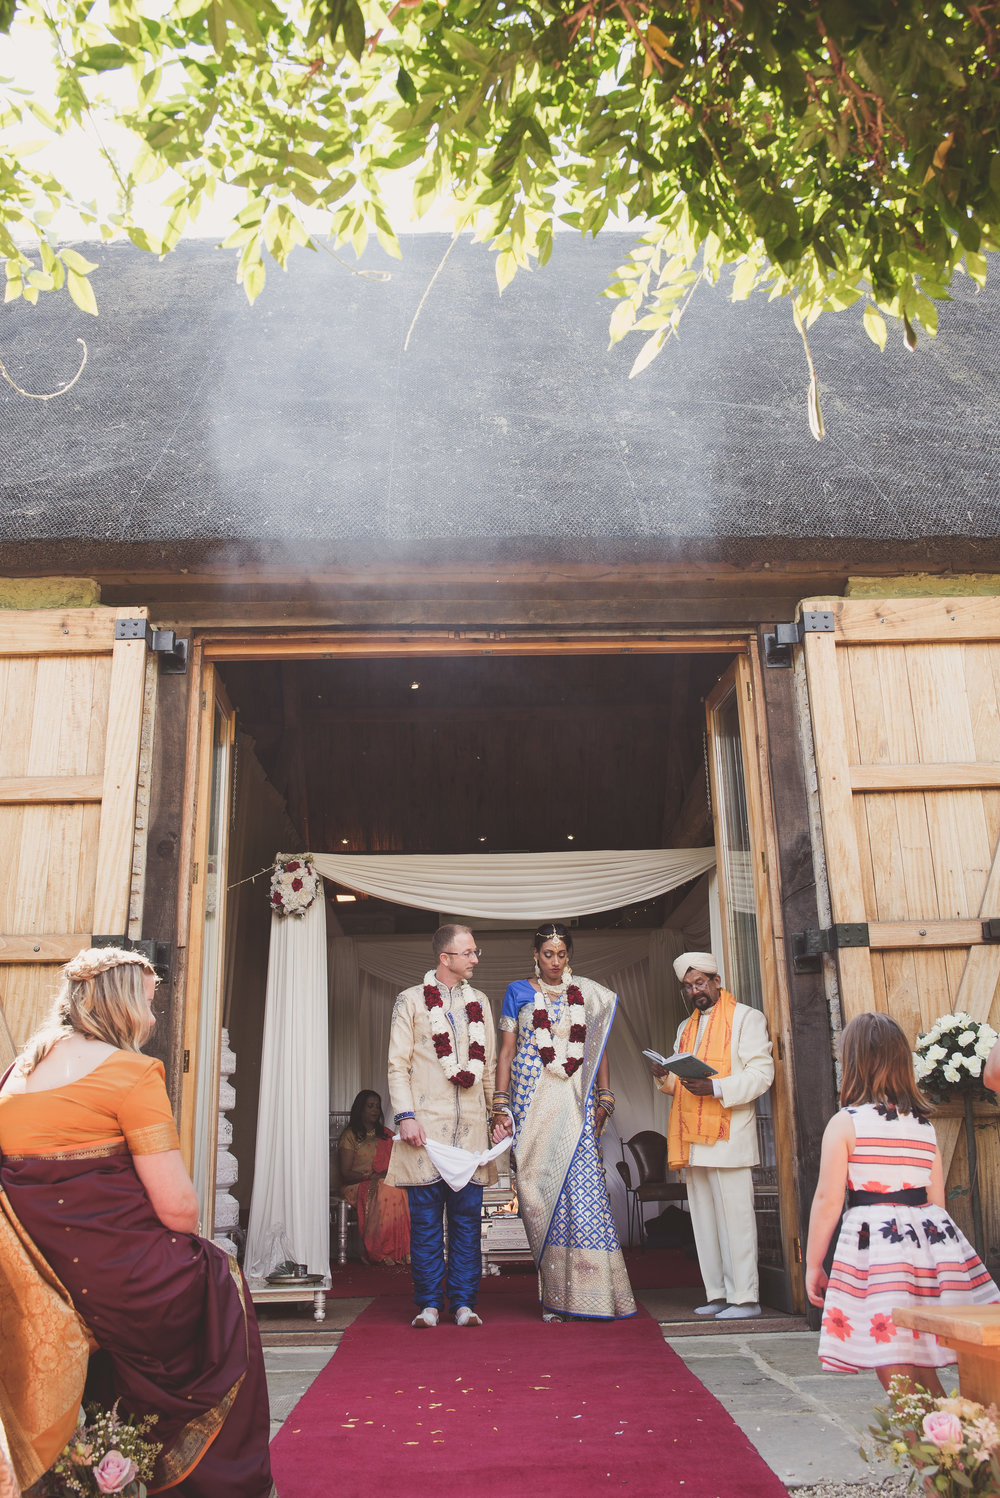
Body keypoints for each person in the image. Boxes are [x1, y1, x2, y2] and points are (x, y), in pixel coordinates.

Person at [0, 947, 275, 1497]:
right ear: (122, 1006)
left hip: (32, 1280)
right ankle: (214, 1482)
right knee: (221, 1284)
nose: (153, 1018)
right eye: (149, 1003)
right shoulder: (132, 1073)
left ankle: (101, 1464)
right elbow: (179, 1210)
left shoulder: (14, 1078)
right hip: (116, 1279)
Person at [806, 1011, 1000, 1391]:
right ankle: (944, 1436)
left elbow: (829, 1199)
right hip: (930, 1242)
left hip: (877, 1247)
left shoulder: (846, 1123)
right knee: (916, 1350)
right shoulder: (923, 1125)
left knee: (889, 1354)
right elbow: (936, 1199)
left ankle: (927, 1440)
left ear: (852, 1063)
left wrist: (813, 1263)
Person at [492, 923, 635, 1321]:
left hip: (574, 1103)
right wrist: (500, 1102)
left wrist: (604, 1096)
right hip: (529, 1101)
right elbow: (507, 1052)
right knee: (536, 1196)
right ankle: (554, 1291)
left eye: (561, 954)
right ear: (535, 955)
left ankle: (590, 1293)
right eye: (548, 954)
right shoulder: (517, 992)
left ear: (568, 955)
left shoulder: (586, 994)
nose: (555, 962)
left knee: (582, 1193)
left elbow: (597, 1048)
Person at [385, 924, 498, 1327]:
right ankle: (430, 1303)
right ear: (444, 958)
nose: (475, 958)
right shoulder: (411, 1001)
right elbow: (398, 1066)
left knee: (467, 1222)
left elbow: (489, 1069)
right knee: (427, 1223)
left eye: (475, 951)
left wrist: (497, 1115)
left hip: (469, 1131)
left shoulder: (479, 1001)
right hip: (425, 1133)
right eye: (468, 952)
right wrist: (406, 1117)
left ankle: (465, 1303)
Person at [653, 950, 773, 1320]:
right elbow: (680, 1081)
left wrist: (717, 1088)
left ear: (717, 982)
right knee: (704, 1221)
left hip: (729, 1135)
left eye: (700, 983)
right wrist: (663, 1075)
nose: (694, 992)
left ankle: (746, 1298)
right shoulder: (685, 1028)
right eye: (687, 987)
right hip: (694, 1135)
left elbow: (761, 1074)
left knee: (735, 1219)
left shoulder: (746, 1018)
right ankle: (719, 1293)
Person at [338, 1089, 410, 1265]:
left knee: (398, 1190)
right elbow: (346, 1174)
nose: (375, 1110)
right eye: (370, 1106)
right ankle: (381, 1250)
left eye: (377, 1107)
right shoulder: (350, 1136)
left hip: (384, 1182)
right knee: (387, 1189)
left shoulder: (386, 1135)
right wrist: (370, 1177)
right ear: (360, 1109)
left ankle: (401, 1250)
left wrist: (380, 1176)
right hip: (356, 1185)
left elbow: (398, 1164)